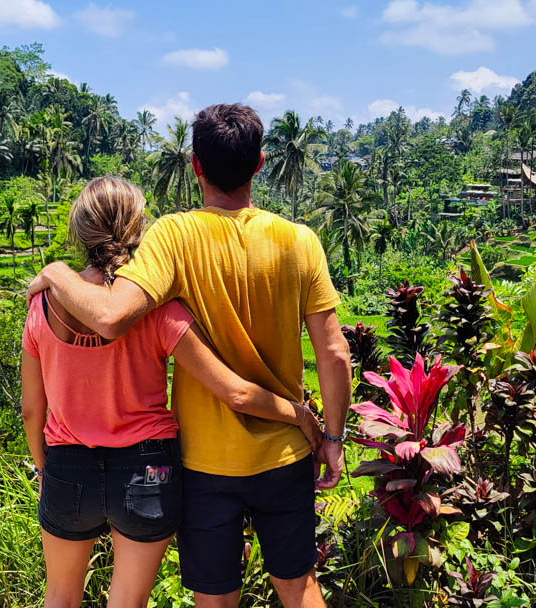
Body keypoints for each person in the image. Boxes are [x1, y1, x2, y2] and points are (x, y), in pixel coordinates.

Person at [28, 104, 352, 607]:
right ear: (261, 163)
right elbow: (333, 353)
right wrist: (329, 434)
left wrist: (54, 272)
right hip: (284, 451)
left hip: (204, 461)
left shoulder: (174, 236)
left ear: (195, 166)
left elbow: (111, 315)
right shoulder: (300, 241)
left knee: (215, 595)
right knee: (298, 583)